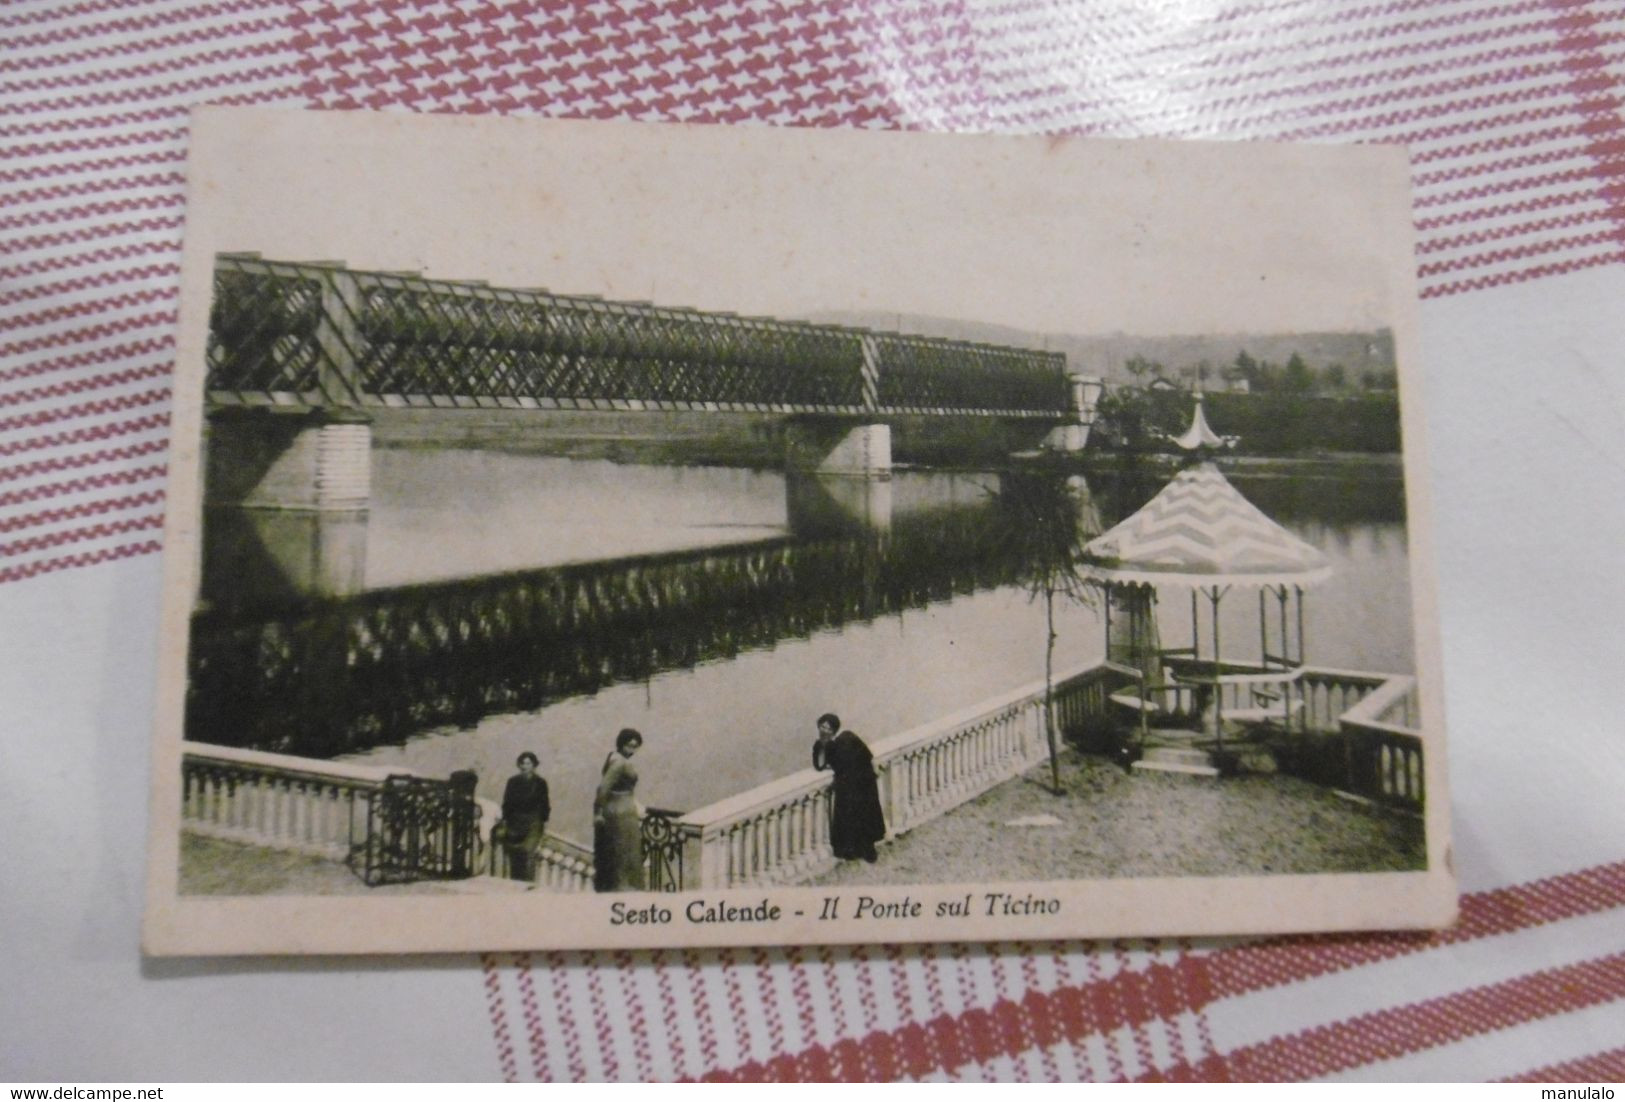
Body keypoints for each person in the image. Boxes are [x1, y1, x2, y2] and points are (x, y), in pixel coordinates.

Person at [812, 712, 885, 863]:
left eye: (828, 727)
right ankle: (852, 850)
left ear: (834, 730)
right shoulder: (820, 745)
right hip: (846, 784)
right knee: (850, 816)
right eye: (822, 726)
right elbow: (819, 766)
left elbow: (865, 755)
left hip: (861, 782)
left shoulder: (847, 737)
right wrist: (823, 745)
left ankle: (868, 849)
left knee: (865, 814)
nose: (824, 730)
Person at [593, 728, 646, 892]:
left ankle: (617, 885)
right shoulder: (620, 763)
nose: (632, 750)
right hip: (620, 812)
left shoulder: (613, 757)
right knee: (624, 850)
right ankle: (623, 887)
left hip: (618, 807)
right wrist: (598, 812)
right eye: (629, 746)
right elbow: (603, 788)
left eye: (635, 746)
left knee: (617, 850)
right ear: (621, 744)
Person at [500, 751, 551, 882]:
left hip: (533, 822)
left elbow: (544, 804)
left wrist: (543, 823)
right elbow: (507, 803)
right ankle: (516, 884)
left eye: (528, 763)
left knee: (529, 855)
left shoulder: (540, 783)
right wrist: (506, 822)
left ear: (534, 765)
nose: (525, 766)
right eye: (522, 763)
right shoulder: (512, 782)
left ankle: (527, 885)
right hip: (515, 824)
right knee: (516, 857)